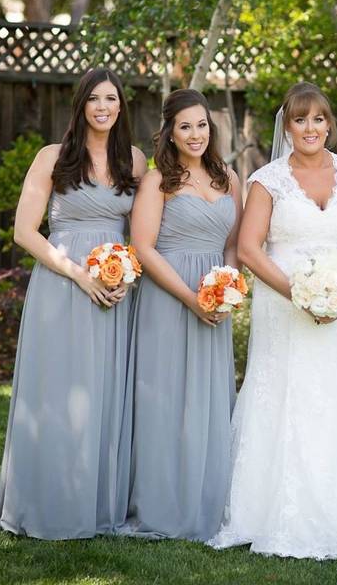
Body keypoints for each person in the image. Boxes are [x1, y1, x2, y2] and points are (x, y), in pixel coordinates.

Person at [208, 82, 337, 559]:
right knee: (286, 396)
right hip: (284, 306)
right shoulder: (267, 179)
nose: (310, 128)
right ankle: (267, 512)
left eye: (318, 118)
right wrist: (297, 294)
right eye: (300, 119)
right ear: (287, 126)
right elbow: (248, 248)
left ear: (330, 124)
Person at [0, 67, 147, 539]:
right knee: (56, 390)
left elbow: (141, 233)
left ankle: (97, 505)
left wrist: (126, 278)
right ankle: (47, 501)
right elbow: (24, 231)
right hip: (61, 285)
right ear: (80, 105)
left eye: (111, 99)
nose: (103, 107)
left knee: (105, 393)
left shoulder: (135, 161)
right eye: (94, 99)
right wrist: (79, 275)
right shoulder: (52, 157)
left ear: (121, 106)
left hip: (115, 294)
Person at [120, 89, 243, 542]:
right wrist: (191, 298)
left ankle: (207, 499)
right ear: (170, 133)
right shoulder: (157, 181)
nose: (195, 134)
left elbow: (233, 243)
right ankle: (161, 503)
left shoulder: (228, 177)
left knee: (208, 400)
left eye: (202, 125)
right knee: (165, 399)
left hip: (214, 299)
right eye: (185, 126)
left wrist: (226, 287)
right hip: (169, 297)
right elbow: (143, 248)